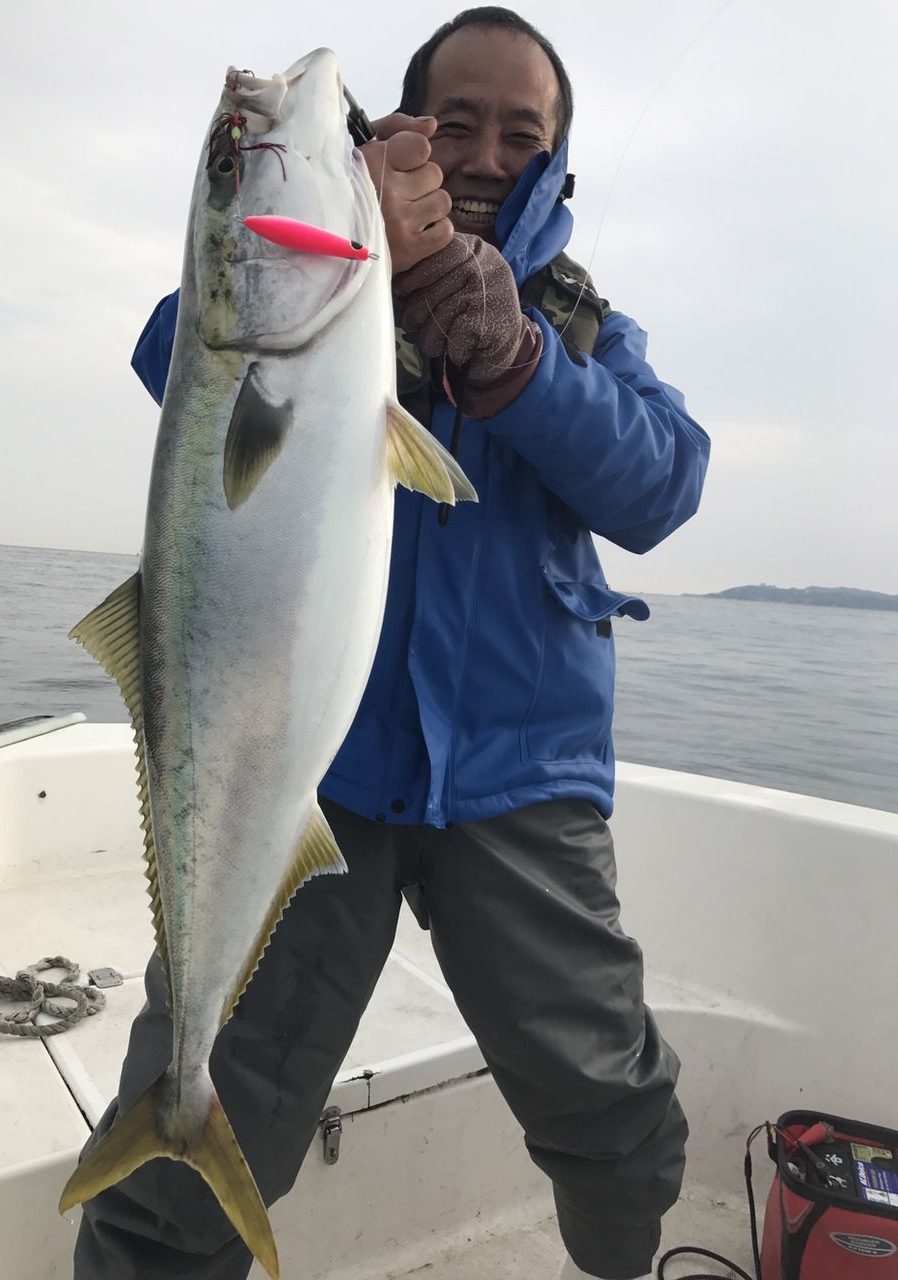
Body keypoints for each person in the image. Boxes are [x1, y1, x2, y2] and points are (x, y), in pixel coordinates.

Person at [74, 8, 710, 1280]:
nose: (486, 155)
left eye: (521, 135)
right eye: (456, 122)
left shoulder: (584, 329)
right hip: (315, 771)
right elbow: (177, 355)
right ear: (399, 129)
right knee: (186, 1140)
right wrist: (358, 272)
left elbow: (662, 485)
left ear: (555, 160)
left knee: (610, 1106)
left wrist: (516, 357)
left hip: (521, 772)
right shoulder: (314, 284)